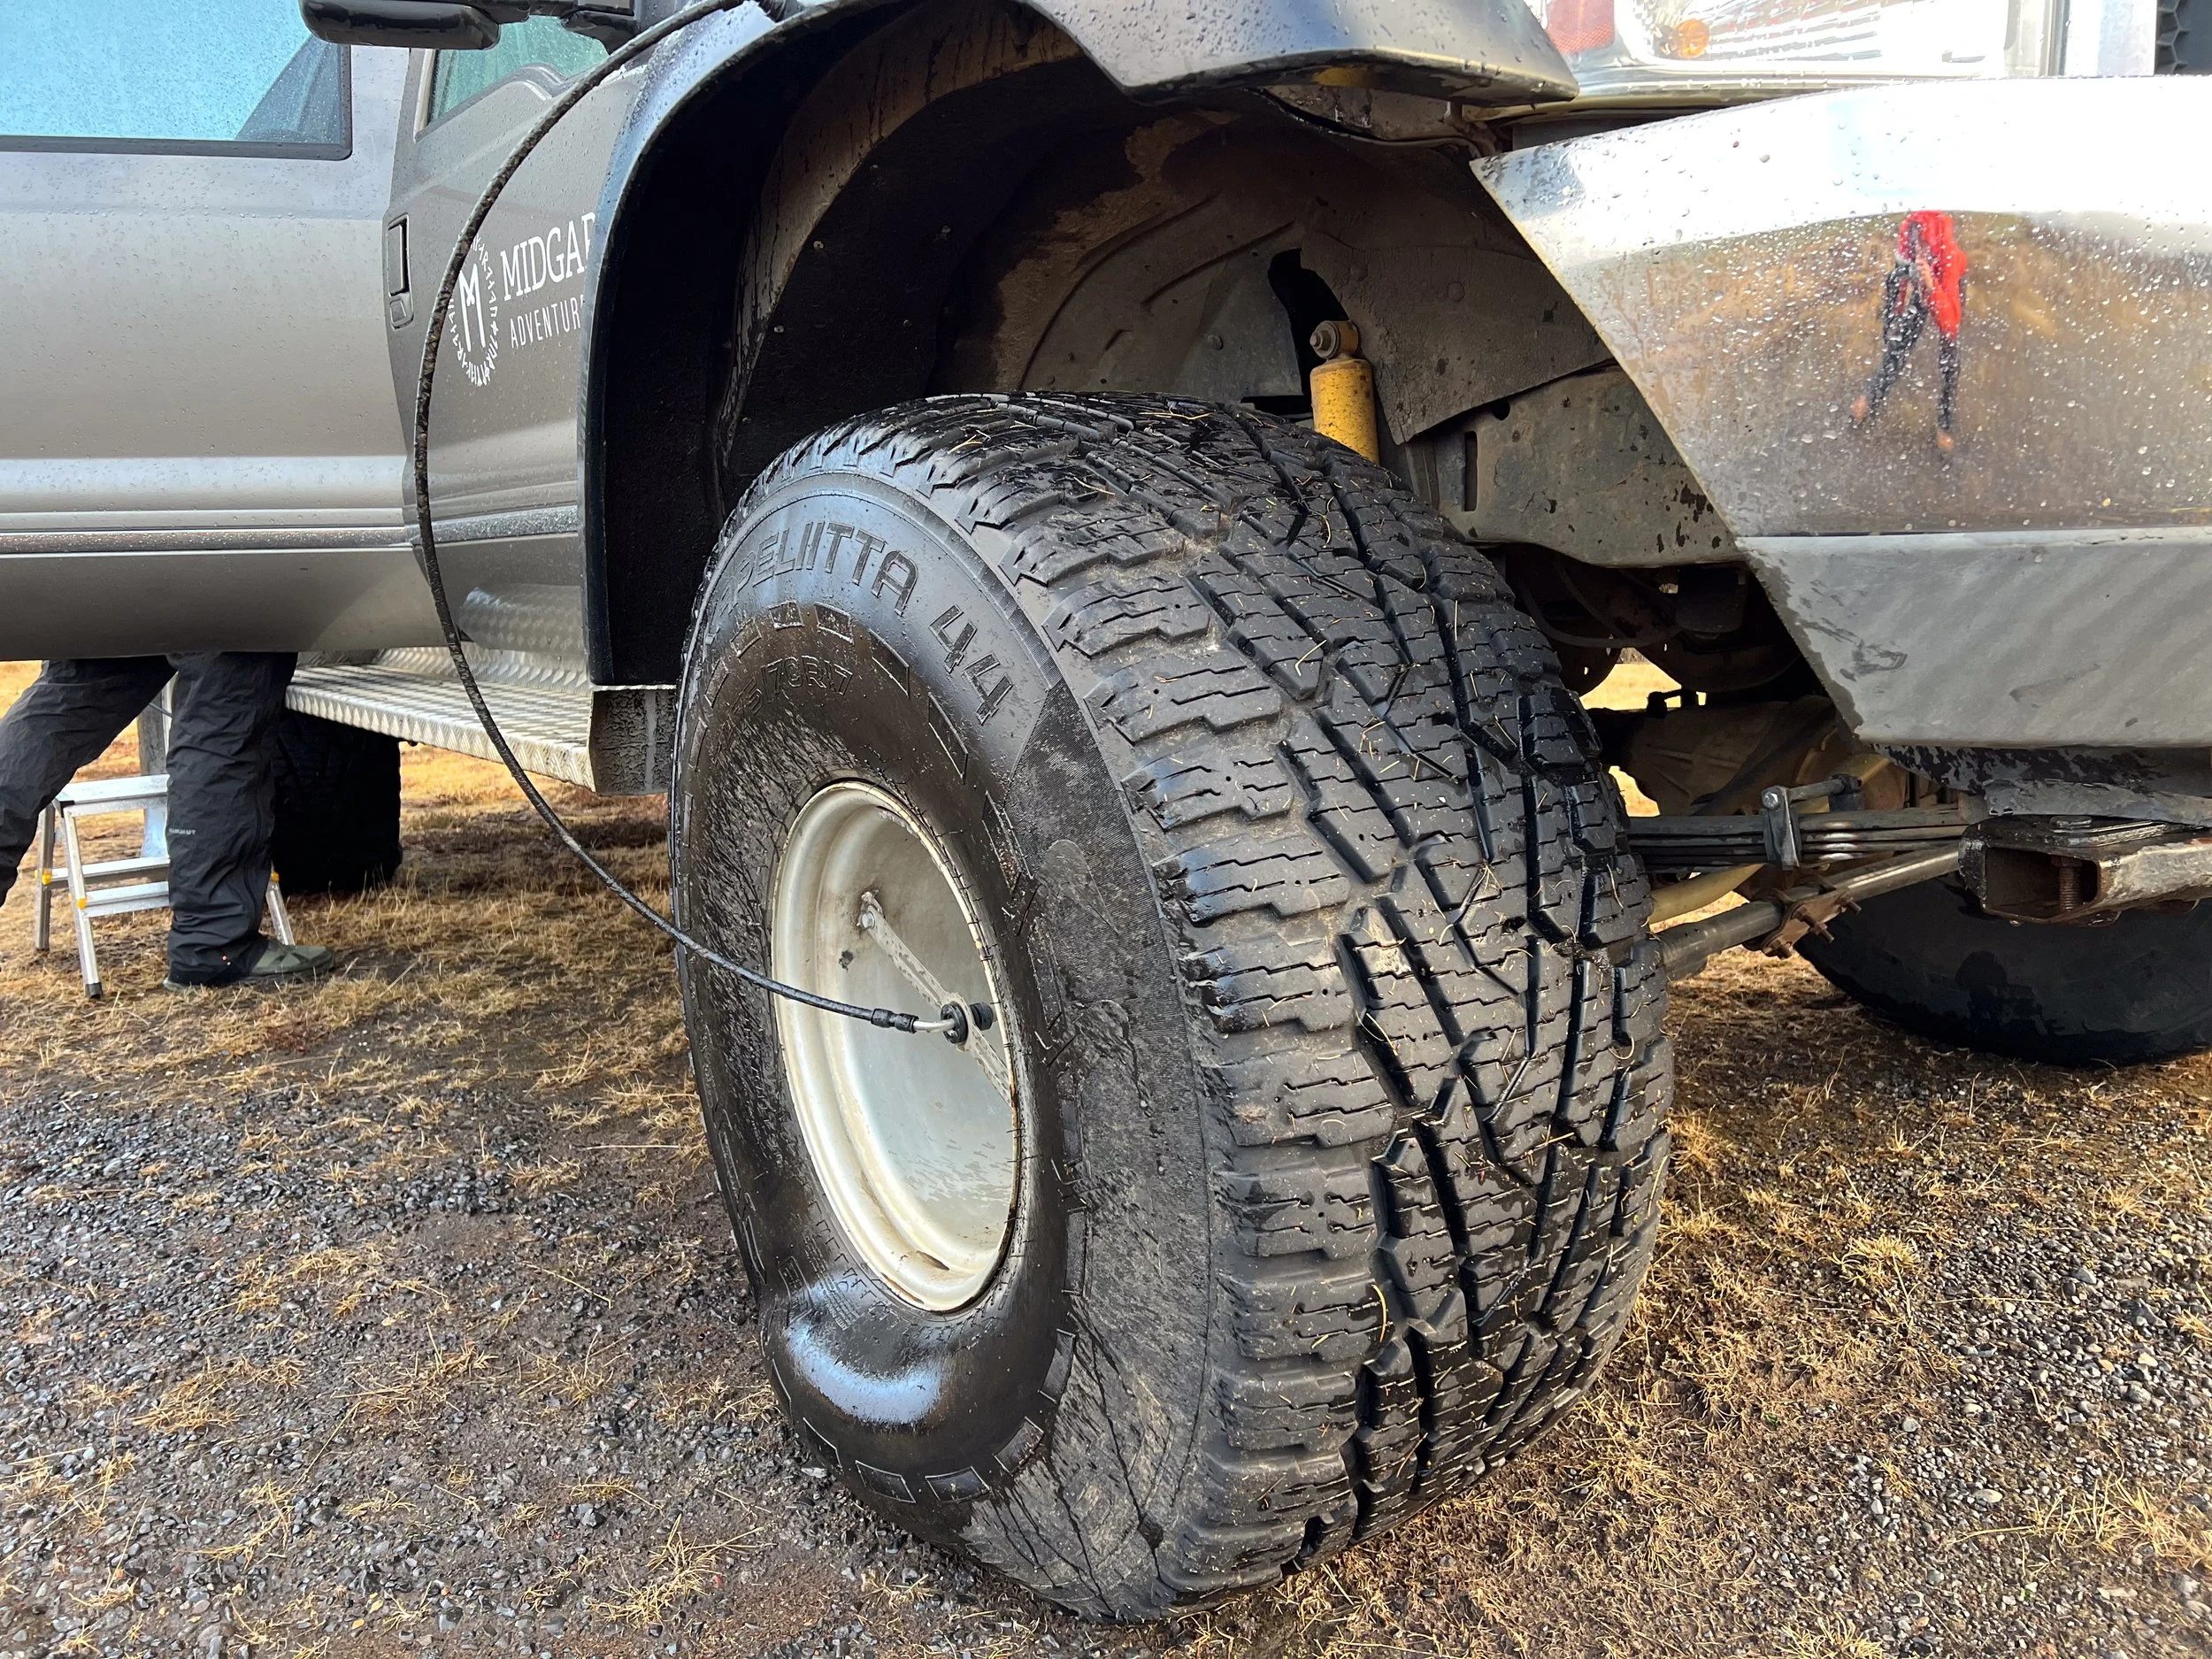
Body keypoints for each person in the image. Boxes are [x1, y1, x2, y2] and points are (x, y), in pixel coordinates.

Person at [0, 654, 335, 989]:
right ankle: (214, 941)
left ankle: (213, 940)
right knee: (229, 686)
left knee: (67, 699)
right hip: (213, 604)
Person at [1851, 208, 1967, 452]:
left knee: (1950, 359)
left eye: (1925, 245)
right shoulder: (1909, 227)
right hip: (1924, 285)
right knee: (1899, 347)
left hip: (1945, 287)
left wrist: (1931, 285)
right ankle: (1870, 398)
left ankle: (1944, 425)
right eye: (1918, 245)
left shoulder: (1948, 253)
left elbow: (1950, 322)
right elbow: (1898, 282)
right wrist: (1892, 324)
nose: (1920, 249)